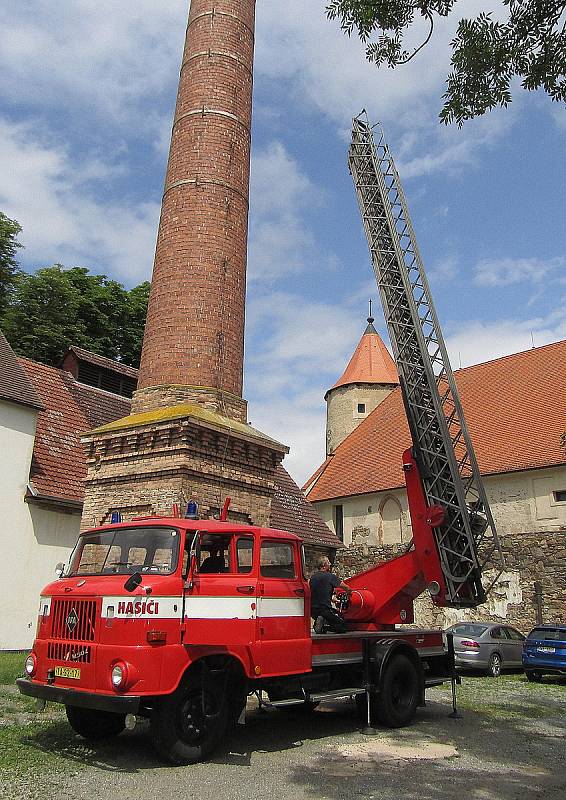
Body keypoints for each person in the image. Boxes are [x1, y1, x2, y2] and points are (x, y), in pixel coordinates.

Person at [309, 556, 353, 634]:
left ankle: (321, 622)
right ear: (324, 565)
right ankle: (324, 627)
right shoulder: (330, 576)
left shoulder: (313, 578)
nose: (330, 564)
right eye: (329, 563)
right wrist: (349, 593)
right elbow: (346, 587)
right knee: (342, 625)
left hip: (313, 611)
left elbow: (319, 593)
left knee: (328, 617)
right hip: (324, 609)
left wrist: (333, 599)